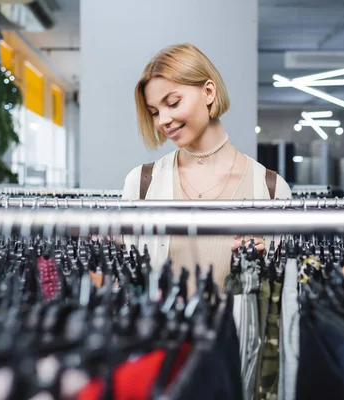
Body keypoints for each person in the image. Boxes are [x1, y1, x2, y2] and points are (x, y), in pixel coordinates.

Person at [122, 43, 291, 292]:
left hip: (236, 332)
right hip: (162, 332)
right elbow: (131, 284)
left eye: (173, 102)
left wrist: (264, 259)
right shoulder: (141, 183)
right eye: (155, 112)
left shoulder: (271, 189)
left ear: (209, 92)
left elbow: (283, 294)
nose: (163, 120)